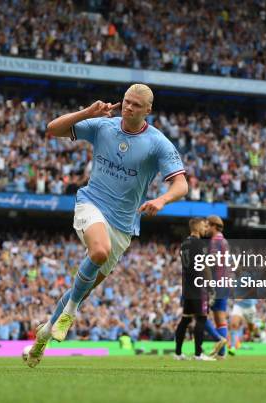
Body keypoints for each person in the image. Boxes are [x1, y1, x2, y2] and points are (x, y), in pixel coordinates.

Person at [25, 84, 188, 368]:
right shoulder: (103, 126)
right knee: (99, 251)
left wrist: (162, 200)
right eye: (126, 101)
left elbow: (181, 184)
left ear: (148, 109)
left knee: (83, 287)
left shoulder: (158, 142)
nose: (128, 107)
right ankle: (69, 314)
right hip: (91, 203)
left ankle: (42, 337)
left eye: (136, 105)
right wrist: (89, 111)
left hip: (123, 225)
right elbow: (53, 128)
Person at [174, 217, 217, 361]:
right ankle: (198, 354)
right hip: (199, 287)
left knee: (185, 320)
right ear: (197, 227)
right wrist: (210, 287)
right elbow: (204, 267)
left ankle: (178, 353)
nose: (206, 228)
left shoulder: (184, 243)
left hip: (187, 287)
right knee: (202, 319)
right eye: (204, 226)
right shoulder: (199, 243)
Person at [203, 215, 231, 358]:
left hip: (216, 283)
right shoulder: (224, 240)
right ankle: (221, 353)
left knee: (199, 314)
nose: (206, 228)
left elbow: (212, 261)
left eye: (207, 225)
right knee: (220, 317)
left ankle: (218, 342)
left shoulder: (215, 241)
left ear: (214, 226)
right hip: (225, 283)